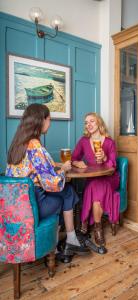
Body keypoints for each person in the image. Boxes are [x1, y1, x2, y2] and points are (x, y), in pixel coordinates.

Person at [5, 103, 89, 262]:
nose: (50, 123)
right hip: (31, 206)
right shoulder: (35, 145)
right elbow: (53, 183)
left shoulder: (19, 143)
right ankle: (60, 245)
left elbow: (36, 166)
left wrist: (58, 166)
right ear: (41, 121)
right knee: (65, 193)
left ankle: (63, 243)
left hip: (13, 206)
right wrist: (63, 170)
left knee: (67, 192)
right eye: (49, 119)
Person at [72, 112, 120, 246]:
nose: (89, 125)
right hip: (93, 178)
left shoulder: (109, 142)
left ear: (99, 122)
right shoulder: (83, 141)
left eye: (92, 121)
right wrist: (77, 163)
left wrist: (104, 158)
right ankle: (97, 227)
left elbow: (113, 166)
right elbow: (73, 158)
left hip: (109, 178)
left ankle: (86, 223)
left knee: (96, 186)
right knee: (95, 186)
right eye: (86, 122)